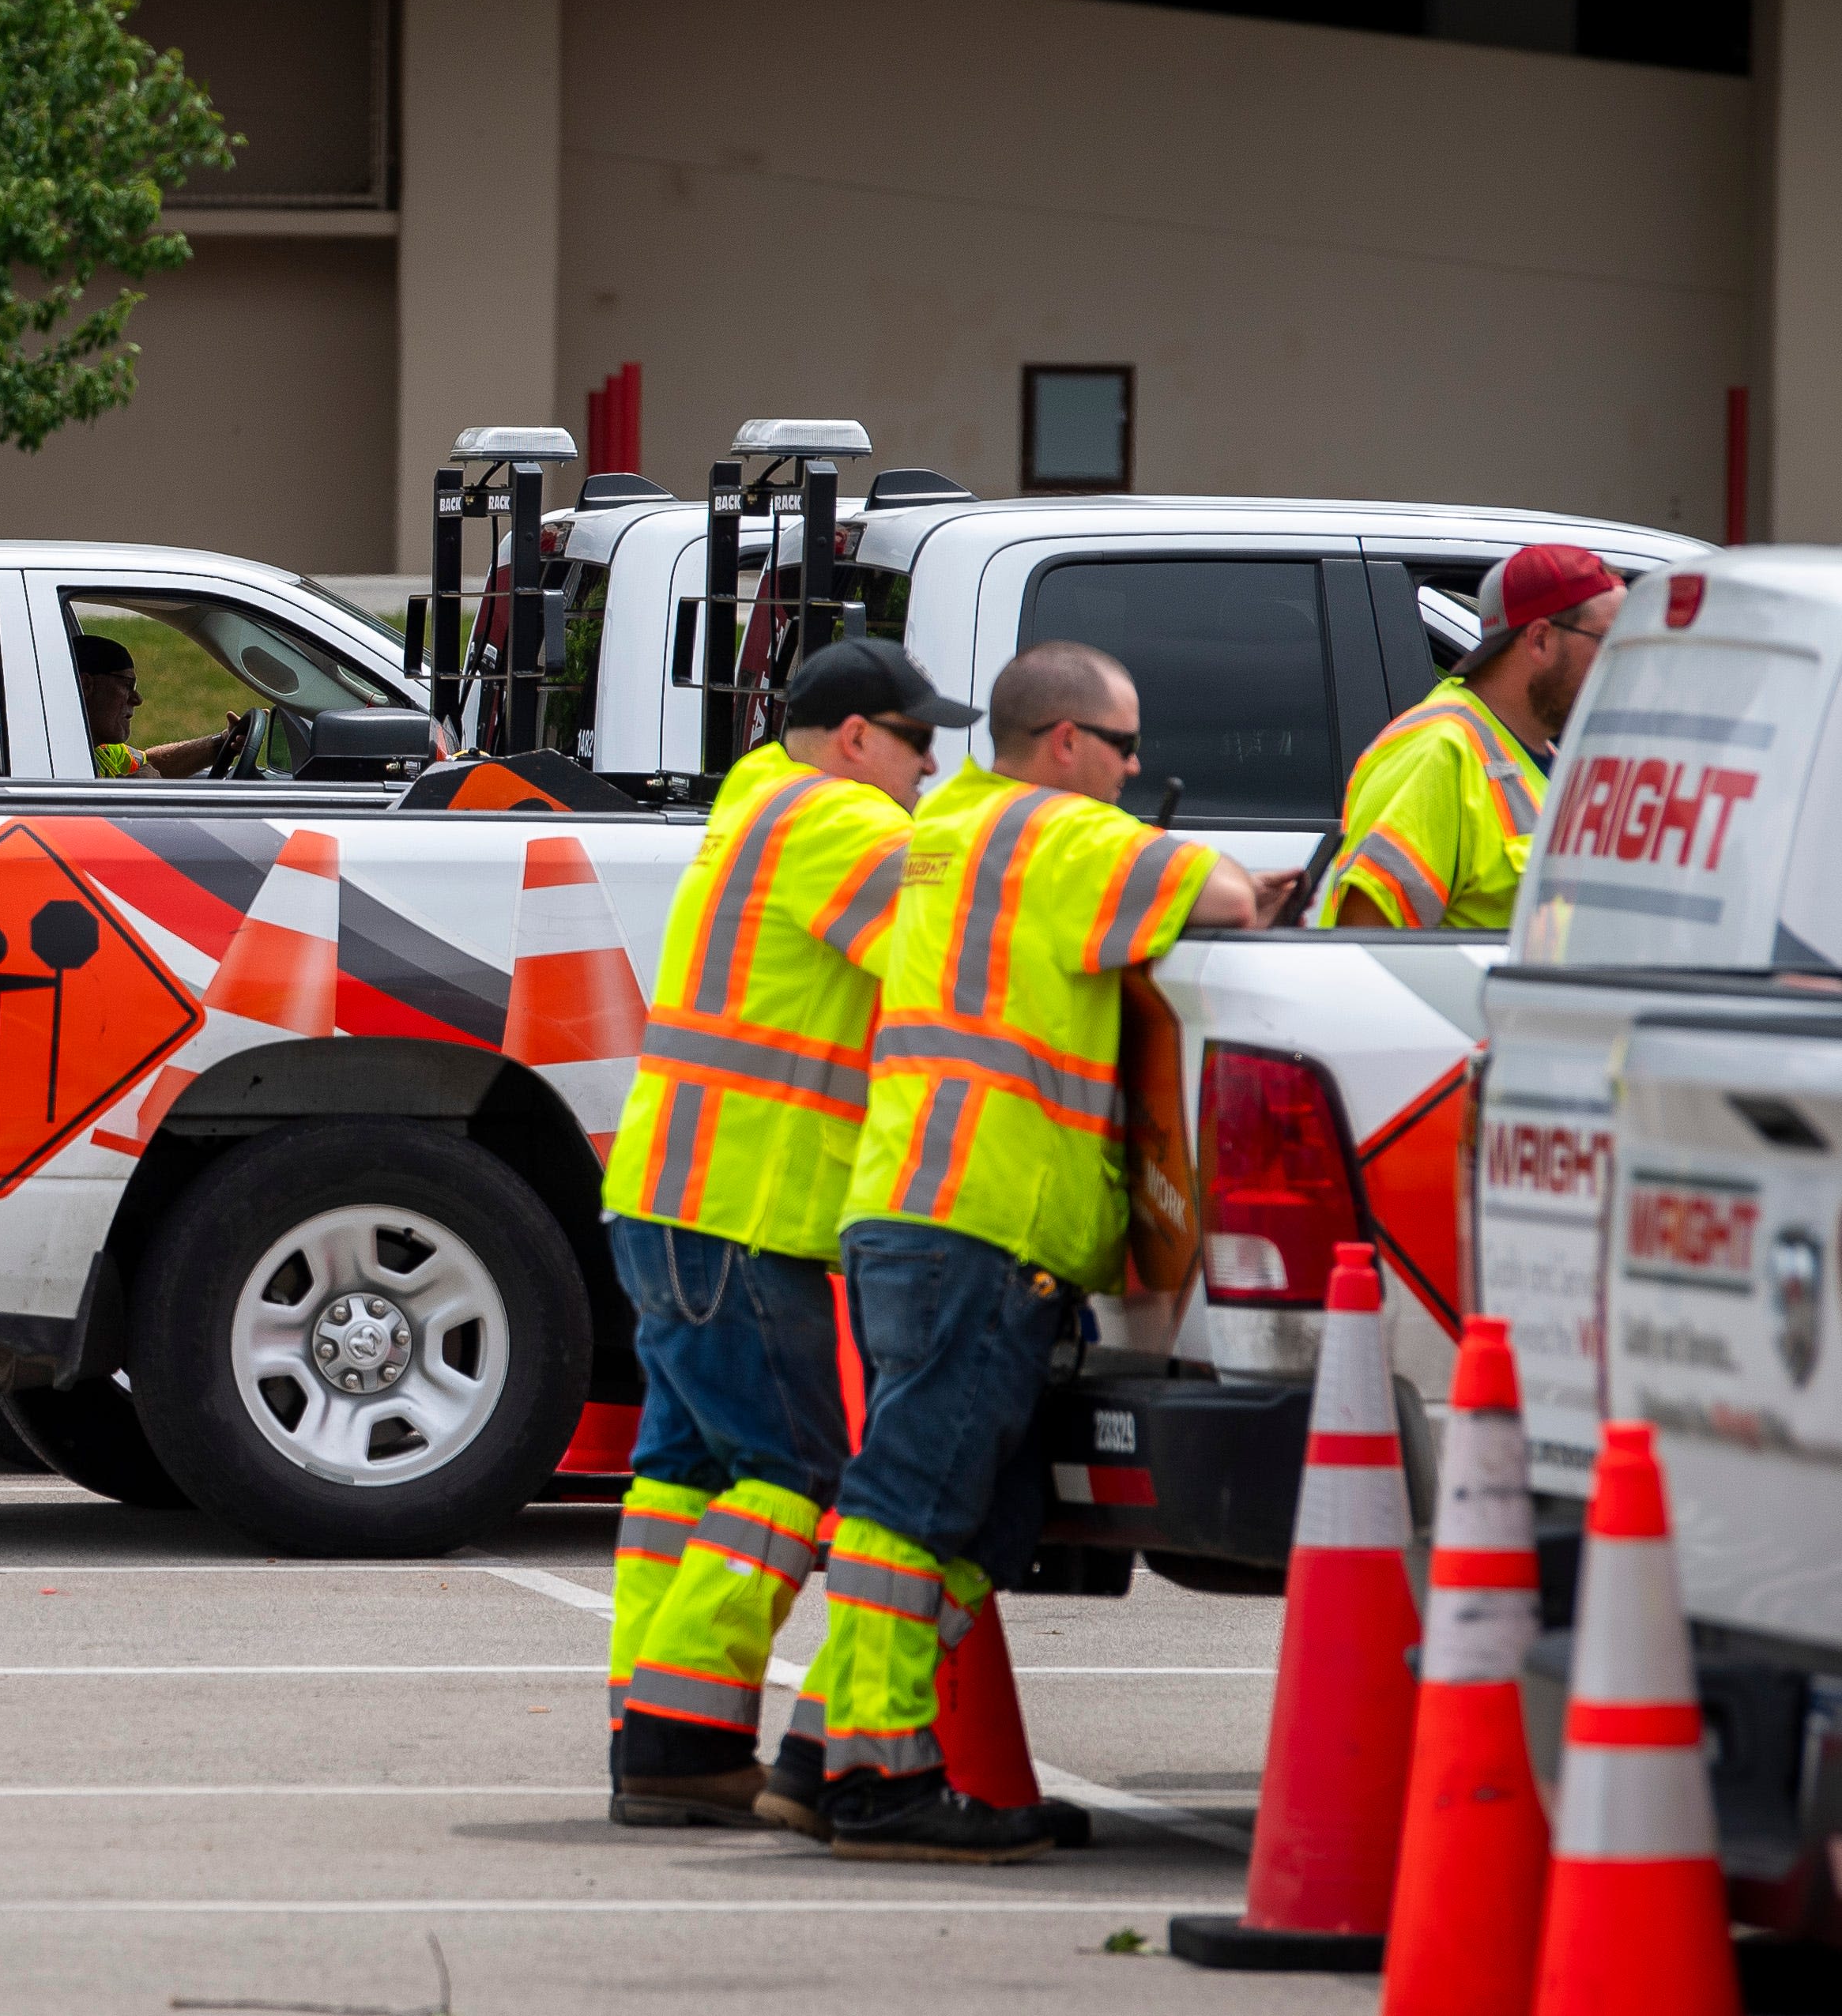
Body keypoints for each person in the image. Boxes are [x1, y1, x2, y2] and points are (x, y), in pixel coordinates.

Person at [815, 641, 1294, 1862]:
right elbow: (1229, 901)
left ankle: (824, 1744)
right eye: (1126, 748)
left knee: (966, 1504)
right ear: (1067, 744)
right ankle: (870, 1776)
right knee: (914, 1500)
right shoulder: (1059, 838)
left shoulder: (952, 825)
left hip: (916, 1208)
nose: (1139, 770)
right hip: (980, 1219)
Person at [593, 638, 959, 1834]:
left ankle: (651, 1738)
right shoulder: (835, 826)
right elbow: (949, 963)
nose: (926, 770)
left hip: (672, 1199)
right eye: (917, 744)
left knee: (680, 1480)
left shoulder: (754, 803)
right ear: (857, 736)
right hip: (748, 1211)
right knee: (794, 1478)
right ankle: (678, 1737)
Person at [1318, 544, 1624, 930]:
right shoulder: (1438, 751)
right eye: (1610, 643)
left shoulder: (1545, 757)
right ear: (1541, 640)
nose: (1623, 664)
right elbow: (1366, 947)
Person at [73, 634, 234, 778]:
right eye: (127, 685)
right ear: (86, 685)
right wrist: (133, 798)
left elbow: (150, 765)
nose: (138, 699)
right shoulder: (62, 758)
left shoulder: (101, 749)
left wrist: (225, 741)